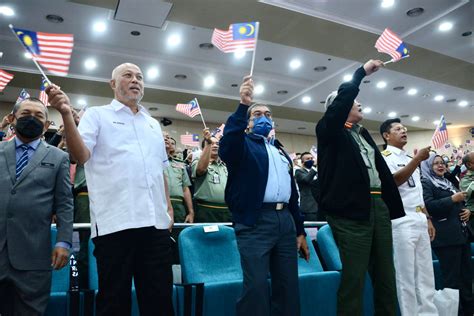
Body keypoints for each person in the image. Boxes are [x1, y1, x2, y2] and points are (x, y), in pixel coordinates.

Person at [46, 63, 175, 316]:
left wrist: (168, 207)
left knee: (159, 300)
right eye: (127, 75)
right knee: (114, 302)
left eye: (139, 76)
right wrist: (65, 114)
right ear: (113, 84)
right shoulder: (97, 115)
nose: (135, 80)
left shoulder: (152, 124)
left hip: (156, 226)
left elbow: (160, 170)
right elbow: (80, 155)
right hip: (115, 225)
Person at [316, 60, 405, 316]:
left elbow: (381, 174)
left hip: (377, 206)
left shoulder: (362, 133)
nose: (359, 103)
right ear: (339, 107)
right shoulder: (328, 130)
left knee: (386, 275)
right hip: (350, 211)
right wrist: (360, 74)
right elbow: (344, 101)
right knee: (354, 278)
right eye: (354, 102)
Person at [219, 75, 310, 316]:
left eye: (267, 114)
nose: (263, 117)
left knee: (288, 286)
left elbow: (292, 196)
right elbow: (228, 144)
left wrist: (299, 230)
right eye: (257, 114)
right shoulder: (243, 145)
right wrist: (243, 105)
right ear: (247, 123)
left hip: (285, 222)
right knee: (256, 286)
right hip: (255, 222)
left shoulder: (280, 151)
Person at [0, 98, 73, 315]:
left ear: (46, 124)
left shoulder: (59, 157)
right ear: (12, 119)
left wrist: (63, 241)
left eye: (39, 116)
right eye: (25, 114)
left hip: (33, 255)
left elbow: (65, 204)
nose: (31, 119)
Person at [379, 118, 438, 315]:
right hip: (401, 220)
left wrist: (428, 219)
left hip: (420, 218)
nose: (404, 131)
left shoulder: (408, 158)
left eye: (404, 129)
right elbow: (394, 181)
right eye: (398, 129)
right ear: (387, 135)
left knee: (426, 274)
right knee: (406, 276)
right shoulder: (385, 156)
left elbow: (418, 193)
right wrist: (417, 160)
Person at [421, 153, 473, 316]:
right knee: (452, 280)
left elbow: (460, 200)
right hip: (445, 237)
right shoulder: (426, 183)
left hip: (461, 234)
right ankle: (455, 312)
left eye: (442, 162)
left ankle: (469, 311)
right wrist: (452, 199)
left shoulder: (448, 181)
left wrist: (466, 211)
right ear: (429, 167)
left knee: (466, 277)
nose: (440, 165)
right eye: (435, 163)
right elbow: (429, 206)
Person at [192, 128, 230, 222]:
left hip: (226, 210)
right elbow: (201, 170)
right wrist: (208, 144)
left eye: (217, 144)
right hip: (206, 209)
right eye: (211, 143)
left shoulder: (226, 165)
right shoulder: (198, 161)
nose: (215, 146)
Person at [163, 132, 194, 224]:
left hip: (178, 205)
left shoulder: (180, 164)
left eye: (169, 139)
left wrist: (191, 212)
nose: (167, 140)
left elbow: (185, 189)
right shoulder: (153, 161)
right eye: (165, 138)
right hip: (160, 204)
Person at [294, 151, 319, 221]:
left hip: (319, 207)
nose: (311, 160)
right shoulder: (299, 172)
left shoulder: (316, 172)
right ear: (302, 162)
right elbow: (306, 179)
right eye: (308, 159)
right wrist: (314, 167)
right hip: (309, 208)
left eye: (312, 158)